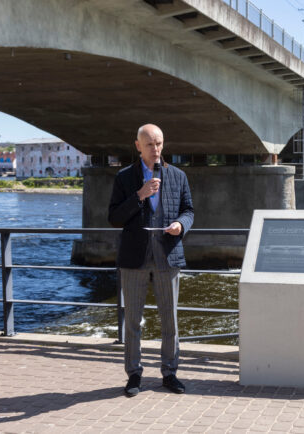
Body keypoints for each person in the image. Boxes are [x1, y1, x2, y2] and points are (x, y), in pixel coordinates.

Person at [108, 124, 194, 396]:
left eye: (159, 143)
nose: (155, 149)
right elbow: (114, 218)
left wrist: (181, 225)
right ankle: (134, 375)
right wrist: (139, 196)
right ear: (138, 146)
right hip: (134, 258)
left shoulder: (178, 176)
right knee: (132, 320)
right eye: (149, 144)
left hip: (168, 256)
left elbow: (189, 210)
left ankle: (170, 373)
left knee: (170, 320)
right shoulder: (124, 178)